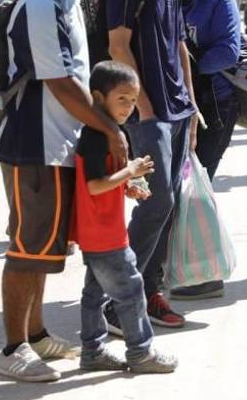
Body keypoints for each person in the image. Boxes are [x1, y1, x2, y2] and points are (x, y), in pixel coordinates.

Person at [0, 0, 124, 383]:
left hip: (57, 144)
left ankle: (39, 333)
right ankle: (13, 347)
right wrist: (109, 128)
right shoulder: (39, 5)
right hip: (33, 145)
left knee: (46, 248)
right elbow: (62, 83)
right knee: (28, 247)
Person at [105, 0, 203, 332]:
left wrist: (191, 105)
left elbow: (178, 44)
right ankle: (116, 301)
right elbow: (118, 45)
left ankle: (150, 291)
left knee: (168, 205)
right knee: (155, 200)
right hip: (149, 114)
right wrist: (141, 105)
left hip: (178, 111)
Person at [73, 60, 177, 374]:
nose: (129, 107)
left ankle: (93, 351)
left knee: (93, 294)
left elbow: (106, 180)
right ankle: (140, 351)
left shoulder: (109, 132)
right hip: (105, 234)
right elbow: (94, 185)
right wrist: (130, 171)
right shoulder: (96, 135)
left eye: (133, 101)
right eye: (122, 99)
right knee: (131, 291)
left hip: (96, 231)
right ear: (98, 97)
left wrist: (129, 186)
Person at [172, 0, 241, 301]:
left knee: (198, 186)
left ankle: (204, 274)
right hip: (178, 105)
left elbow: (229, 51)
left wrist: (188, 68)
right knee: (178, 189)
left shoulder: (221, 0)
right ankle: (184, 266)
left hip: (213, 107)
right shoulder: (169, 0)